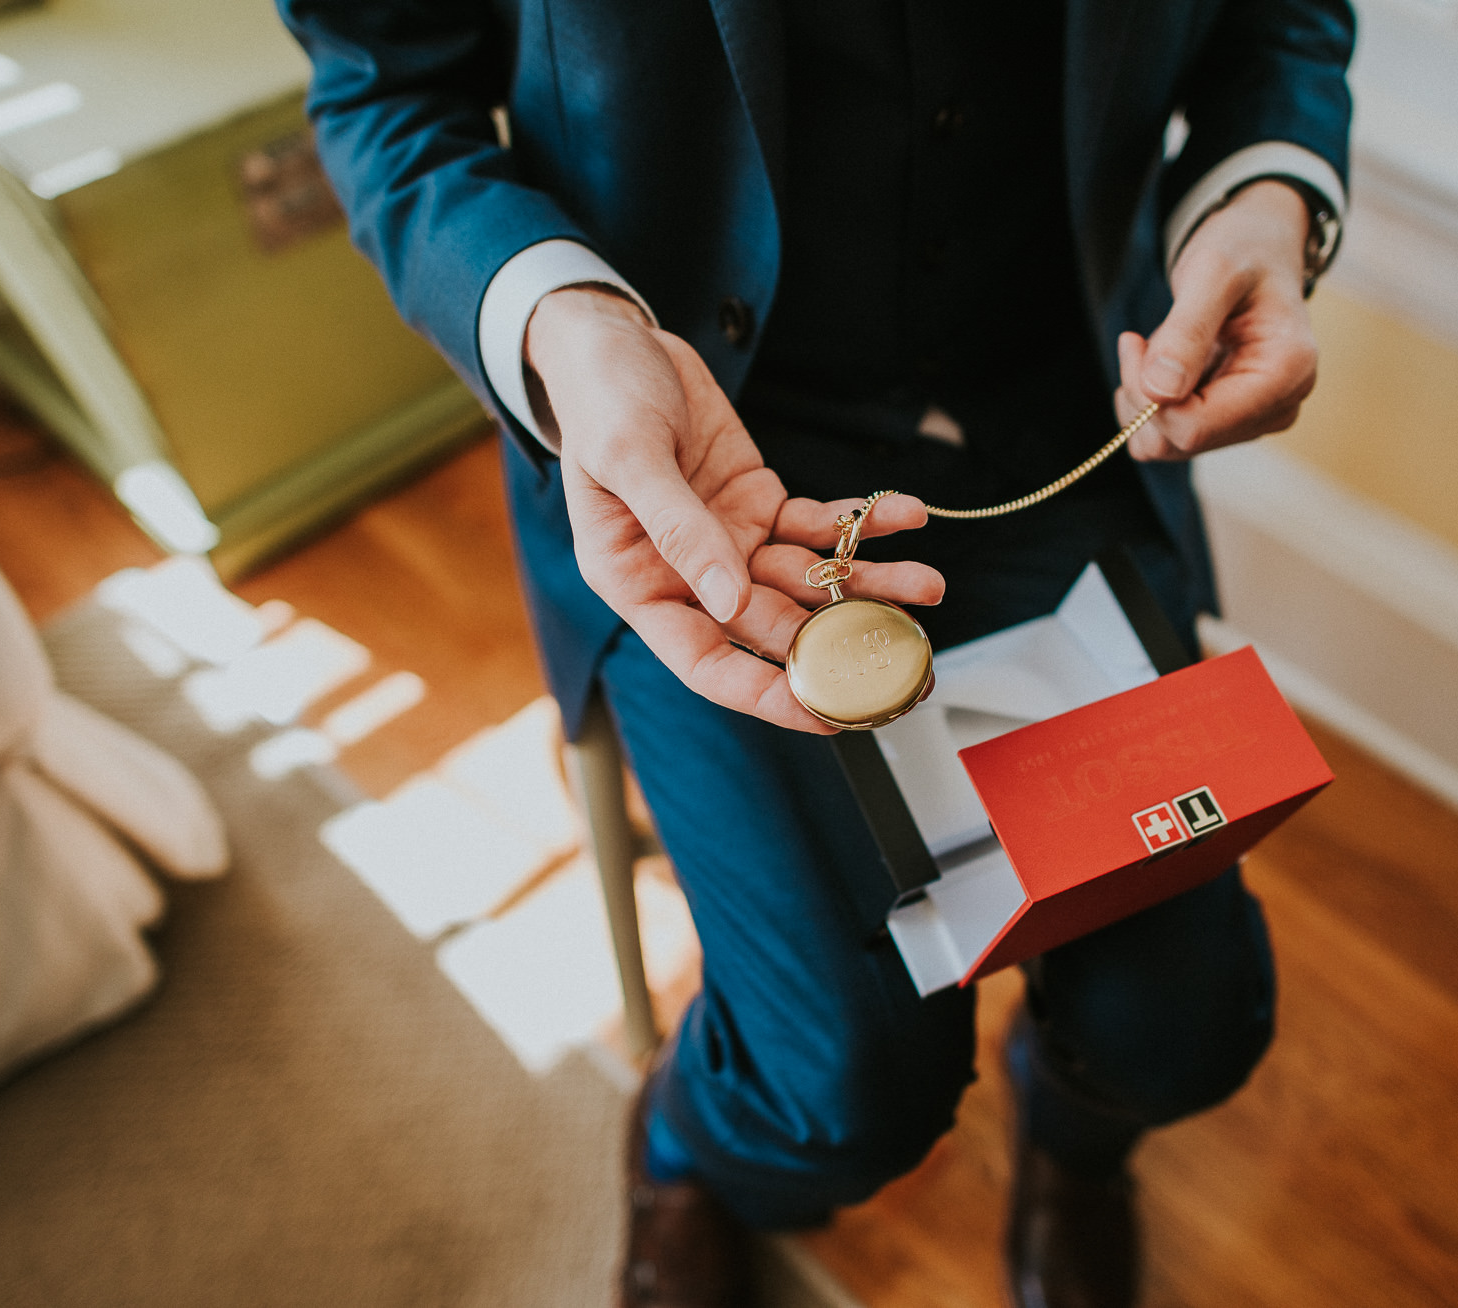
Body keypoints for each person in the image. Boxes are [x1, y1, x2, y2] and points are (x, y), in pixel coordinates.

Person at [277, 2, 1353, 1304]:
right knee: (843, 1082)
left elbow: (1282, 17)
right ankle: (683, 1152)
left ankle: (1074, 1151)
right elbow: (386, 96)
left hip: (1064, 420)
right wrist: (569, 324)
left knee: (1183, 1027)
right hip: (687, 459)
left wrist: (1262, 199)